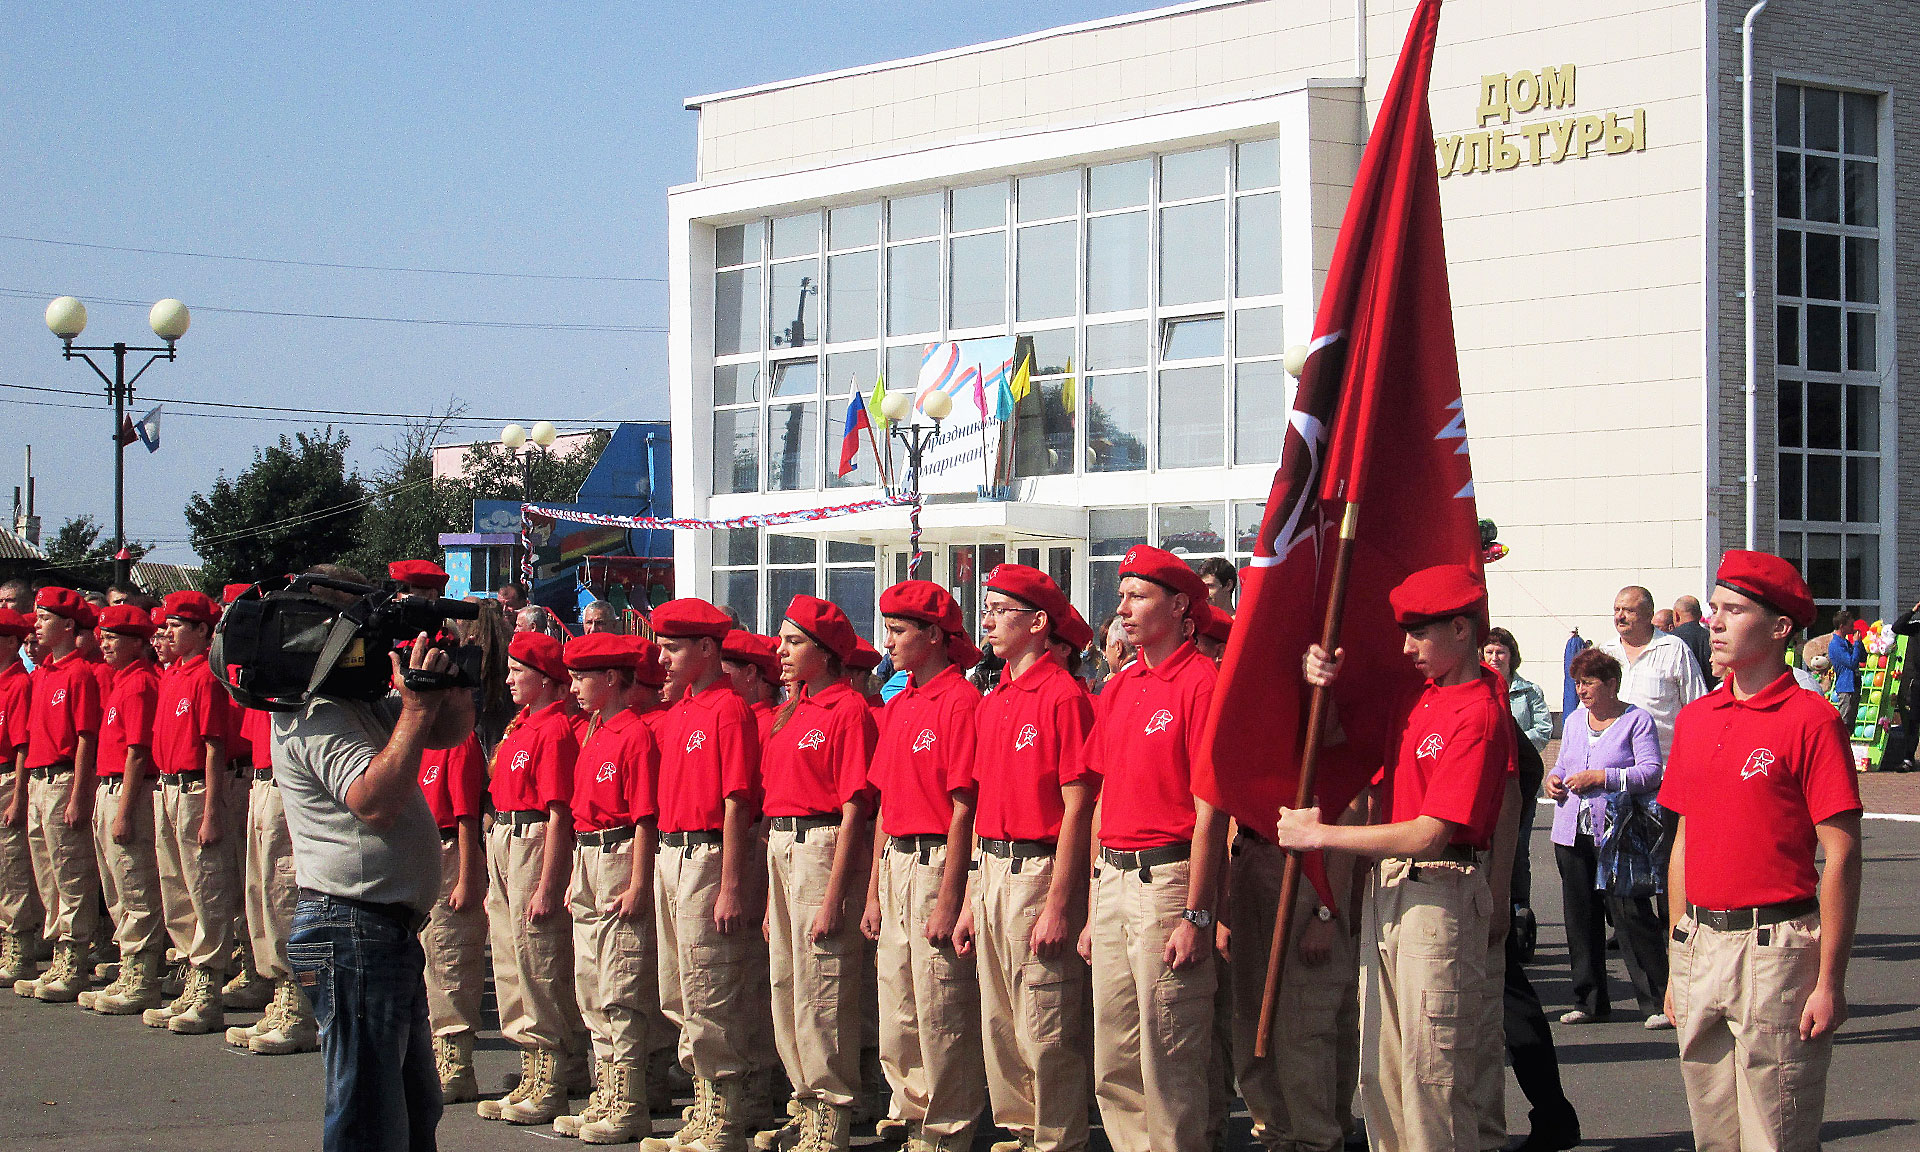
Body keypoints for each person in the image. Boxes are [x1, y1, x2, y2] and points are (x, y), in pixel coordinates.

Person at [1273, 564, 1519, 1152]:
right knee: (1382, 1073)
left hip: (1440, 890)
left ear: (1461, 629)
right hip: (1392, 888)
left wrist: (1320, 836)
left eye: (1420, 632)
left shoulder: (1480, 712)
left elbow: (1430, 835)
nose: (1407, 647)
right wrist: (1320, 676)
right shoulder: (1418, 699)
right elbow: (1340, 737)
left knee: (1432, 1079)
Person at [1660, 551, 1862, 1152]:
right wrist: (1677, 951)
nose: (1715, 623)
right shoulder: (1696, 718)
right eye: (1713, 608)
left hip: (1774, 951)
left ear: (1780, 628)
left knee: (1777, 1136)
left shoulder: (1812, 720)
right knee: (1713, 1138)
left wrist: (1830, 980)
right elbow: (1684, 840)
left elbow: (1842, 855)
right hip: (1700, 946)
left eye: (1734, 610)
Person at [273, 567, 478, 1151]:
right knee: (369, 1113)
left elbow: (444, 733)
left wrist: (451, 685)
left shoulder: (352, 703)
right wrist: (414, 709)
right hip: (350, 929)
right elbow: (376, 803)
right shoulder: (313, 712)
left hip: (378, 931)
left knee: (411, 1108)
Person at [1079, 547, 1226, 1152]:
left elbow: (1211, 811)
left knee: (1169, 1056)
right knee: (1114, 1056)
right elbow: (1102, 797)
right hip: (1114, 880)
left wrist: (1198, 913)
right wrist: (1094, 901)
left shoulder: (1201, 682)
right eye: (1121, 597)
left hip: (1167, 880)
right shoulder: (1119, 687)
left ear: (1180, 606)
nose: (1123, 609)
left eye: (1137, 596)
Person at [960, 564, 1096, 1152]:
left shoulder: (1063, 696)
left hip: (1037, 871)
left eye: (1000, 611)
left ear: (1039, 623)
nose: (987, 621)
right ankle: (1020, 1131)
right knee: (1000, 1021)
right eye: (987, 609)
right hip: (992, 867)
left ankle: (1056, 1138)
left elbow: (1078, 806)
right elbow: (982, 806)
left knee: (1045, 1022)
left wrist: (1059, 906)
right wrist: (970, 898)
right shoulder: (994, 701)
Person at [862, 580, 986, 1152]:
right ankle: (911, 1110)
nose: (887, 642)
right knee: (898, 1001)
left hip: (936, 861)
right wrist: (873, 892)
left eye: (897, 630)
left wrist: (950, 898)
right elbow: (885, 806)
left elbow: (964, 809)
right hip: (897, 860)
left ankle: (948, 1126)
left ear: (933, 635)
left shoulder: (959, 701)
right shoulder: (901, 703)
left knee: (941, 1004)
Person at [644, 598, 769, 1152]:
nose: (663, 659)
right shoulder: (682, 711)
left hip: (707, 855)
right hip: (672, 853)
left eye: (673, 648)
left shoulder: (728, 709)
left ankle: (725, 1109)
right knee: (678, 987)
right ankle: (705, 1097)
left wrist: (732, 884)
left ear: (706, 648)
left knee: (712, 985)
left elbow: (737, 802)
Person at [756, 596, 878, 1152]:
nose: (781, 651)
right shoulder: (792, 712)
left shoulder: (846, 709)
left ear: (825, 652)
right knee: (787, 984)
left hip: (821, 847)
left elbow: (854, 809)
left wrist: (834, 898)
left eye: (793, 641)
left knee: (822, 987)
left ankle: (831, 1112)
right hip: (783, 848)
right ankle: (804, 1102)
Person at [555, 632, 663, 1144]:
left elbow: (644, 818)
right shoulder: (596, 731)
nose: (574, 687)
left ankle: (628, 1099)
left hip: (618, 854)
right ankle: (605, 1089)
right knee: (590, 981)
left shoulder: (634, 734)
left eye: (582, 678)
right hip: (588, 854)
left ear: (612, 678)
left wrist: (639, 883)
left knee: (620, 981)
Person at [478, 631, 587, 1125]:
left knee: (539, 958)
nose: (509, 679)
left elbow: (559, 812)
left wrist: (547, 884)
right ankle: (530, 1064)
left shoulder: (555, 729)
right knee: (510, 958)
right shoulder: (521, 725)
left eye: (518, 671)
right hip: (505, 835)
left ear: (544, 678)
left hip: (532, 839)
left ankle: (552, 1073)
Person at [1545, 648, 1669, 1028]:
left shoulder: (1636, 720)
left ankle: (1659, 1002)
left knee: (1631, 916)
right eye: (1577, 683)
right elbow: (1562, 764)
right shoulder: (1574, 721)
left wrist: (1603, 777)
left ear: (1611, 684)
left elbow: (1651, 772)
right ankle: (1589, 1001)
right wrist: (1553, 780)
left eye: (1588, 682)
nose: (1581, 690)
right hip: (1572, 834)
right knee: (1580, 919)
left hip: (1619, 836)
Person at [143, 591, 242, 1034]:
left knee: (206, 888)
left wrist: (211, 810)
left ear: (203, 630)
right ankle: (188, 974)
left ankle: (208, 986)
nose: (167, 632)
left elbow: (214, 746)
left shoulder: (205, 676)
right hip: (166, 787)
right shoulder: (172, 675)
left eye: (177, 625)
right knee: (175, 887)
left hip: (195, 788)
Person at [13, 587, 104, 1002]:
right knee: (46, 875)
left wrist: (79, 795)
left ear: (68, 625)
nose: (36, 625)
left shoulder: (79, 673)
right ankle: (58, 954)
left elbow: (86, 738)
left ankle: (74, 958)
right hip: (38, 779)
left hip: (63, 779)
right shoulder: (43, 674)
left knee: (70, 872)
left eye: (44, 618)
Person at [78, 605, 168, 1015]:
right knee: (116, 885)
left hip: (127, 790)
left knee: (136, 883)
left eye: (113, 637)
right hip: (108, 786)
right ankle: (131, 965)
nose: (105, 644)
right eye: (104, 637)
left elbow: (138, 752)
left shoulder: (141, 683)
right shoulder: (122, 680)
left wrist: (125, 811)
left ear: (137, 642)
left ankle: (142, 975)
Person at [417, 727, 489, 1103]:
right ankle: (435, 1053)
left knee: (451, 960)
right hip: (423, 851)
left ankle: (456, 1064)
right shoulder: (422, 741)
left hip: (450, 853)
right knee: (429, 960)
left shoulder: (458, 742)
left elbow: (467, 817)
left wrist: (466, 876)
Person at [1481, 627, 1549, 929]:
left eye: (1501, 652)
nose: (1495, 657)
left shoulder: (1528, 691)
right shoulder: (1479, 688)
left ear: (1512, 656)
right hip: (1488, 780)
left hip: (1521, 778)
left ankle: (1520, 907)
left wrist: (1510, 743)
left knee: (1517, 848)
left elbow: (1543, 730)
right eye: (1489, 652)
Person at [1600, 586, 1707, 754]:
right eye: (1617, 610)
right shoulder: (1605, 653)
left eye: (1628, 610)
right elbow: (1585, 711)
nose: (1620, 616)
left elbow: (1698, 711)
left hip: (1662, 764)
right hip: (1611, 765)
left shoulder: (1674, 649)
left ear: (1649, 614)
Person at [0, 608, 39, 984]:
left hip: (8, 777)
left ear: (11, 642)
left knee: (13, 869)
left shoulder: (18, 684)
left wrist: (17, 795)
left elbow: (23, 746)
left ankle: (19, 948)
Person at [721, 631, 783, 741]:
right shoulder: (732, 718)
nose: (717, 679)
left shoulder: (766, 727)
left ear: (750, 672)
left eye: (723, 674)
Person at [1825, 610, 1864, 731]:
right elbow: (1852, 663)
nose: (1853, 628)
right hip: (1846, 688)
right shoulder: (1836, 645)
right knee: (1844, 723)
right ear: (1842, 626)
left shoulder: (1846, 642)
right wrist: (1856, 643)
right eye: (1850, 625)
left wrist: (1859, 643)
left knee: (1851, 724)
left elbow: (1862, 658)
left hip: (1854, 685)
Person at [1670, 596, 1718, 689]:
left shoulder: (1670, 641)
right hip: (1710, 693)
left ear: (1676, 616)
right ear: (1700, 615)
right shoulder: (1713, 638)